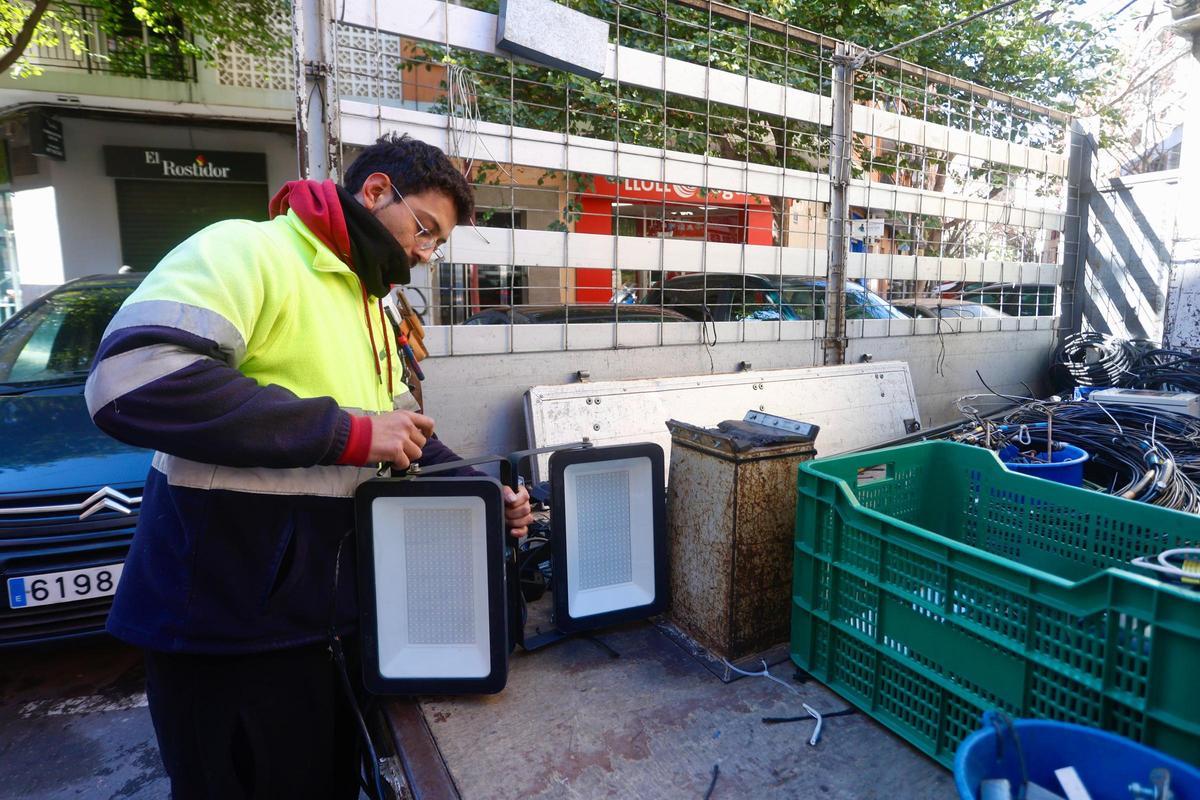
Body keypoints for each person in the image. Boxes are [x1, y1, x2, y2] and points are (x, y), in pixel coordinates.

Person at [86, 133, 533, 799]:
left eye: (437, 243)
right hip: (223, 632)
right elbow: (130, 380)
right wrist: (347, 433)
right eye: (426, 230)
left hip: (323, 627)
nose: (425, 253)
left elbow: (402, 430)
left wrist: (480, 492)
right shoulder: (248, 250)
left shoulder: (370, 307)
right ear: (378, 191)